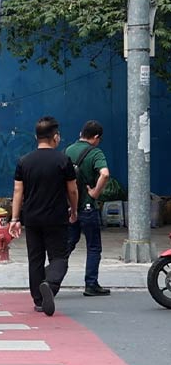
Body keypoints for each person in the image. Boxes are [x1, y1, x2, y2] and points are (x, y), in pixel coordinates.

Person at [9, 116, 78, 316]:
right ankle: (51, 284)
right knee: (59, 257)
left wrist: (15, 219)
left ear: (36, 137)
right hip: (56, 218)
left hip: (31, 218)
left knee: (35, 259)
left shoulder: (24, 161)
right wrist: (73, 210)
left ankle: (38, 300)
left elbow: (17, 192)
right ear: (55, 137)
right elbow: (72, 190)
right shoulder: (63, 160)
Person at [65, 120, 112, 296]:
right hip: (88, 207)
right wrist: (94, 193)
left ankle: (51, 277)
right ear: (96, 137)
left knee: (68, 243)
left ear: (81, 133)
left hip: (71, 206)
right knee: (93, 246)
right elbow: (105, 174)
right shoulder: (96, 153)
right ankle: (91, 284)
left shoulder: (69, 150)